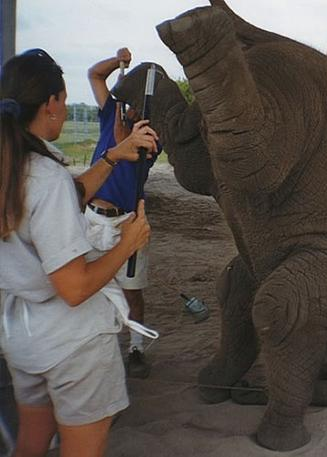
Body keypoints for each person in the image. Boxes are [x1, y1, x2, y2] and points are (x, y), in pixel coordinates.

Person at [0, 49, 158, 456]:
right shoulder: (46, 177)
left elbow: (68, 192)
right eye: (65, 100)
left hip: (24, 335)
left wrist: (111, 157)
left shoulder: (13, 166)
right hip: (72, 346)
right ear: (50, 104)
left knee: (32, 440)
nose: (67, 109)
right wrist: (127, 244)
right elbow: (74, 287)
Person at [86, 48, 159, 378]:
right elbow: (94, 74)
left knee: (132, 290)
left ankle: (136, 349)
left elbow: (120, 142)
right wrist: (119, 63)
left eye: (134, 104)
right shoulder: (111, 112)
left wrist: (119, 107)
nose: (129, 107)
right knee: (88, 284)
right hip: (92, 217)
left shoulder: (148, 139)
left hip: (126, 222)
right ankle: (95, 346)